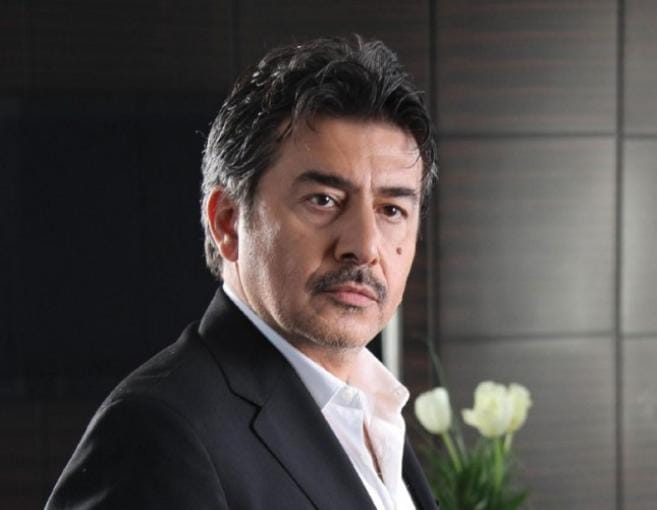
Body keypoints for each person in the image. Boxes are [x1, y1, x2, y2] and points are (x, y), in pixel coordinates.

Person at [46, 35, 439, 510]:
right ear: (228, 223)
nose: (364, 246)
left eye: (392, 209)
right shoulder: (156, 431)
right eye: (323, 200)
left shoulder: (376, 408)